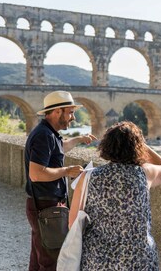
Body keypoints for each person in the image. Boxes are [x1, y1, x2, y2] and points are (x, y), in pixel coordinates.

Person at [69, 121, 161, 270]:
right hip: (139, 259)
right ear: (137, 148)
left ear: (106, 146)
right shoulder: (145, 173)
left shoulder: (87, 177)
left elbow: (72, 223)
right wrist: (141, 144)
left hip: (97, 259)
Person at [25, 90, 97, 271]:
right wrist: (67, 171)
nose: (73, 117)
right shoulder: (44, 136)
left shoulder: (49, 133)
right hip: (46, 204)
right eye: (70, 112)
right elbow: (36, 173)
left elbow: (60, 148)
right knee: (51, 260)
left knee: (39, 256)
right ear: (57, 111)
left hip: (43, 203)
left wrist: (79, 139)